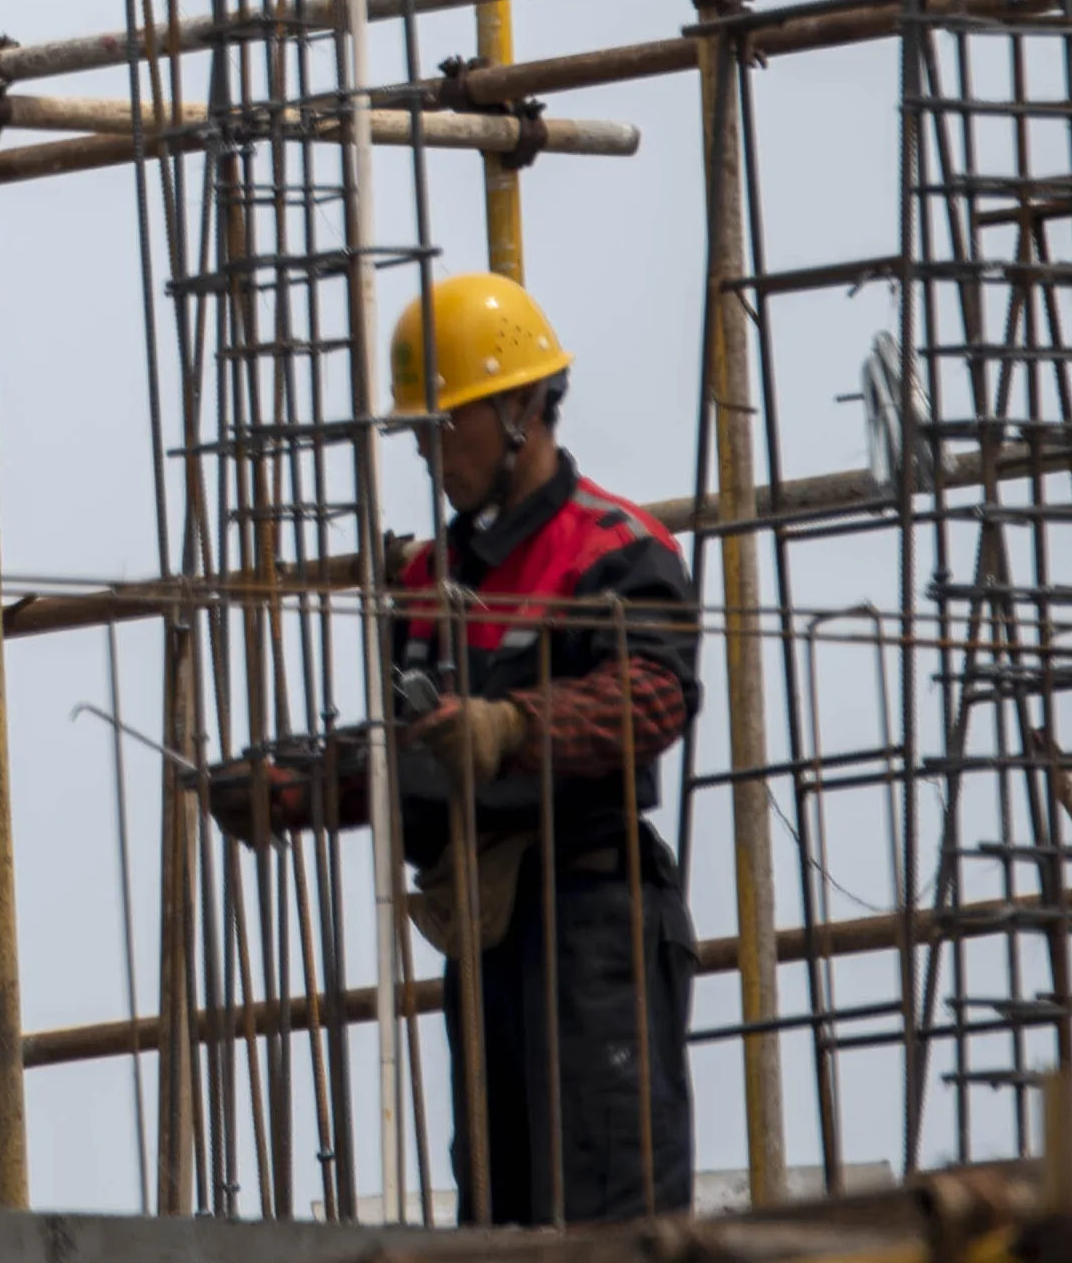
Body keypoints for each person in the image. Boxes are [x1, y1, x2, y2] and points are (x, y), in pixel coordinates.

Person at [203, 270, 701, 1222]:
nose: (431, 451)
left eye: (447, 424)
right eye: (420, 431)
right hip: (488, 935)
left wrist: (511, 727)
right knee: (500, 1223)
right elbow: (416, 754)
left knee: (609, 1221)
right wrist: (302, 790)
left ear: (522, 408)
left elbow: (653, 699)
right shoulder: (430, 582)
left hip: (594, 929)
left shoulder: (611, 549)